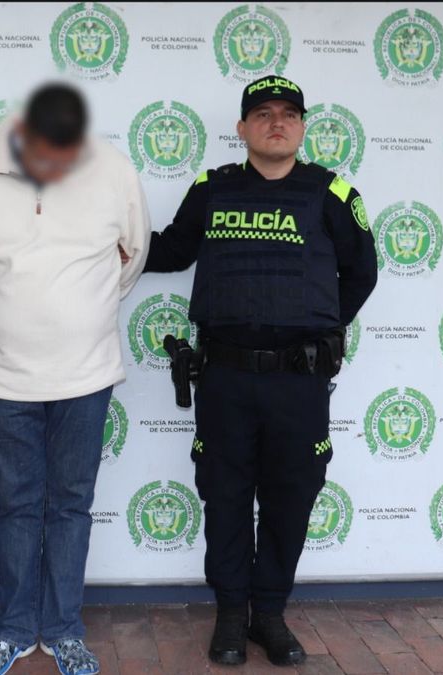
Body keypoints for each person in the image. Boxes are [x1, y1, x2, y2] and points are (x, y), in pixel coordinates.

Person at [142, 75, 377, 667]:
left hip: (299, 382)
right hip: (225, 378)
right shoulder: (212, 188)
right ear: (242, 128)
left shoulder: (331, 193)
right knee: (224, 496)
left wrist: (317, 329)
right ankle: (229, 614)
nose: (277, 123)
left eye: (289, 114)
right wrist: (95, 245)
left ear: (302, 127)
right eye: (264, 114)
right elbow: (171, 250)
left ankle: (268, 613)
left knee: (290, 496)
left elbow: (362, 273)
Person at [0, 83, 150, 675]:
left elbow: (133, 255)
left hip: (87, 374)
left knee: (72, 505)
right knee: (16, 506)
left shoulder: (112, 168)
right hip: (2, 377)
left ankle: (63, 631)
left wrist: (88, 309)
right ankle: (12, 630)